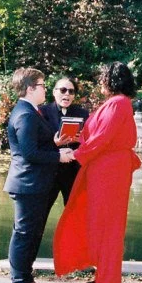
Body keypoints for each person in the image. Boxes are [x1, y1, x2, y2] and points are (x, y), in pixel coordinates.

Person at [52, 61, 142, 283]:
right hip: (106, 169)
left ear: (111, 81)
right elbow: (100, 134)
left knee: (109, 227)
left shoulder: (118, 104)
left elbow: (103, 138)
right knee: (101, 225)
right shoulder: (116, 104)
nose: (100, 82)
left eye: (103, 78)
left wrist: (75, 154)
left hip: (109, 171)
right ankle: (104, 278)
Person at [3, 67, 74, 283]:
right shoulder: (25, 114)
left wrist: (54, 143)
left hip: (35, 184)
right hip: (27, 184)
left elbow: (36, 145)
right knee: (24, 234)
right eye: (43, 85)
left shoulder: (32, 111)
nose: (45, 89)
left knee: (33, 233)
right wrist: (59, 156)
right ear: (31, 88)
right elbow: (29, 153)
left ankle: (26, 277)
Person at [39, 76, 89, 206]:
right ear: (54, 92)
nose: (67, 93)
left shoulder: (82, 113)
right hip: (50, 171)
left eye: (71, 91)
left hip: (73, 171)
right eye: (63, 90)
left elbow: (90, 142)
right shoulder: (42, 112)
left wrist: (81, 139)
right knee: (41, 213)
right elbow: (37, 144)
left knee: (74, 212)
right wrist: (54, 143)